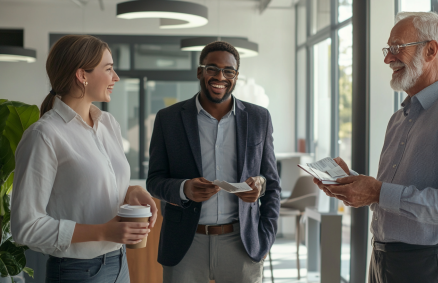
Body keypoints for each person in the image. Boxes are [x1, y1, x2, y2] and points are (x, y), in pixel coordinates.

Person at [315, 12, 438, 283]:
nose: (388, 58)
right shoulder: (398, 118)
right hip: (382, 257)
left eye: (397, 48)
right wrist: (353, 183)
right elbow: (389, 192)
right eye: (388, 49)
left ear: (431, 50)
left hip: (429, 264)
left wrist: (377, 192)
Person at [11, 35, 157, 283]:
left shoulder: (108, 123)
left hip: (119, 263)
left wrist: (130, 191)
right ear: (82, 75)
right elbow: (26, 227)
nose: (116, 77)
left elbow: (93, 185)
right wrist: (102, 232)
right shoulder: (44, 135)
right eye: (109, 69)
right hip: (76, 271)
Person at [147, 41, 281, 283]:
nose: (220, 76)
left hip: (242, 244)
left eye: (228, 71)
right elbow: (154, 180)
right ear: (200, 71)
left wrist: (265, 238)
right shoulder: (168, 119)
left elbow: (271, 183)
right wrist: (184, 189)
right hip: (185, 245)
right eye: (212, 68)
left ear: (236, 76)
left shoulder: (259, 118)